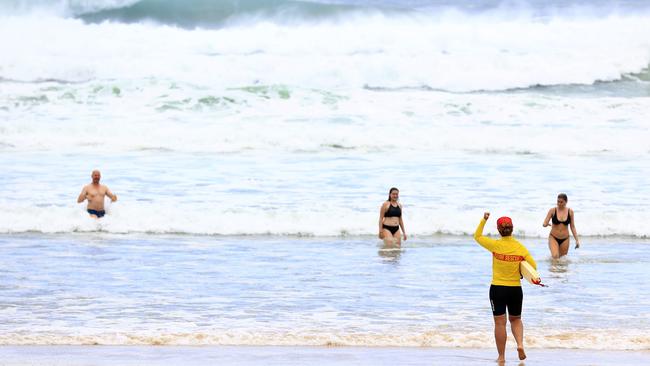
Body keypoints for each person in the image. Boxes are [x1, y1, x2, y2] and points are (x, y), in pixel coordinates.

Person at [474, 212, 537, 363]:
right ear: (512, 229)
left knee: (500, 323)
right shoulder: (520, 248)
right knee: (516, 319)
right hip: (515, 290)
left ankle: (501, 357)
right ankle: (520, 344)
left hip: (497, 289)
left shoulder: (495, 245)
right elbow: (533, 267)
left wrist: (484, 220)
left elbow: (477, 236)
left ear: (499, 230)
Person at [543, 193, 580, 258]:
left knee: (562, 260)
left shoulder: (570, 212)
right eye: (558, 202)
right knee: (555, 256)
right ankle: (553, 268)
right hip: (553, 237)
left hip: (565, 239)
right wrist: (545, 224)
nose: (559, 204)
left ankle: (558, 268)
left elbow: (572, 227)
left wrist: (577, 240)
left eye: (561, 202)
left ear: (566, 202)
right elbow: (545, 223)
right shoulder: (552, 210)